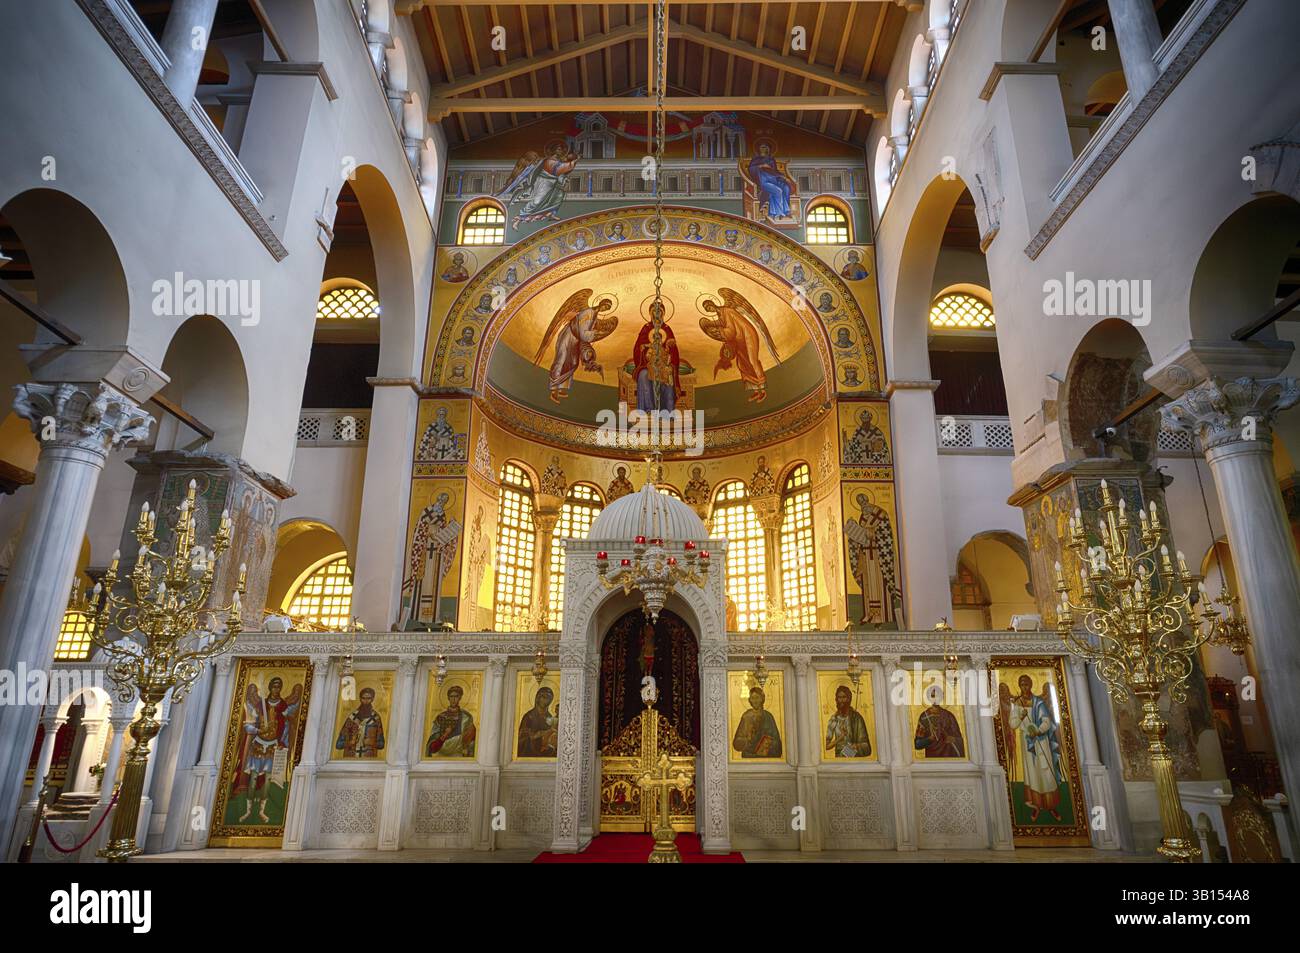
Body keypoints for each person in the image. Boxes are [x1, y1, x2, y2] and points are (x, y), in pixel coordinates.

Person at [234, 677, 303, 823]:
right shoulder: (261, 705)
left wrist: (282, 742)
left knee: (267, 780)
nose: (276, 689)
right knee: (252, 779)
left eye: (279, 687)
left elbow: (284, 727)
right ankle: (247, 811)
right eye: (274, 686)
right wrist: (258, 729)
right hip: (258, 745)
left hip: (272, 746)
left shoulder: (283, 706)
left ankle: (262, 811)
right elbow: (248, 725)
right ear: (270, 688)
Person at [534, 288, 619, 402]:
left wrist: (589, 346)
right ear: (601, 303)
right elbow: (583, 332)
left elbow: (584, 336)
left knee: (573, 362)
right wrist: (595, 334)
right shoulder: (588, 312)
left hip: (576, 340)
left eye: (608, 308)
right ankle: (554, 389)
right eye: (605, 305)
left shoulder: (594, 318)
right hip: (568, 335)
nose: (605, 308)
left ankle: (562, 388)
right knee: (561, 359)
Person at [1007, 675, 1064, 821]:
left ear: (1031, 685)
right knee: (1032, 773)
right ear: (1019, 686)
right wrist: (1020, 716)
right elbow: (1012, 724)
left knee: (1046, 772)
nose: (1024, 687)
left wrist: (1038, 731)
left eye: (1027, 684)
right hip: (1027, 744)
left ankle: (1051, 806)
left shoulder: (1039, 702)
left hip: (1041, 741)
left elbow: (1047, 721)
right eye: (1022, 684)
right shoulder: (1017, 703)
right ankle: (1036, 806)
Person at [631, 301, 683, 412]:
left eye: (659, 312)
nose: (657, 314)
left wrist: (669, 349)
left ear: (663, 314)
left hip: (663, 366)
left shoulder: (667, 329)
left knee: (668, 378)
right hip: (647, 365)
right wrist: (643, 350)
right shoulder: (646, 328)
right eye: (654, 312)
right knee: (643, 375)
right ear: (650, 314)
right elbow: (638, 349)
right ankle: (649, 409)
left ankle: (667, 411)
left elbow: (674, 354)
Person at [747, 141, 795, 219]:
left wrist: (784, 178)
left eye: (765, 147)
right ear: (758, 149)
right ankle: (780, 213)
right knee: (778, 191)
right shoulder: (756, 159)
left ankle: (779, 212)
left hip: (774, 179)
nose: (763, 149)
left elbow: (775, 171)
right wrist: (761, 166)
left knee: (785, 188)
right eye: (762, 147)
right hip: (763, 180)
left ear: (768, 149)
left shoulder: (771, 159)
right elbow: (751, 169)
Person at [335, 687, 385, 759]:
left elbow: (381, 744)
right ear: (360, 699)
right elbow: (339, 745)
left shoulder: (376, 719)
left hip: (369, 758)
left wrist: (372, 742)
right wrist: (350, 741)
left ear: (372, 699)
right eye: (363, 698)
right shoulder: (352, 718)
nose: (366, 701)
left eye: (368, 698)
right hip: (350, 756)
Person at [427, 685, 477, 757]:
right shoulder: (440, 717)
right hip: (440, 754)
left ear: (460, 698)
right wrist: (445, 735)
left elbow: (472, 741)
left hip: (459, 754)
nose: (453, 699)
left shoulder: (466, 717)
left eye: (456, 696)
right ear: (448, 698)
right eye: (451, 696)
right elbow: (432, 745)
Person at [733, 686, 782, 758]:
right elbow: (736, 743)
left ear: (762, 699)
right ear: (750, 700)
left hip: (766, 756)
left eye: (757, 698)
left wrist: (768, 744)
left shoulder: (768, 716)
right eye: (753, 698)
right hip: (749, 756)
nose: (755, 701)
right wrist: (747, 739)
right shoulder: (746, 717)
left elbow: (777, 742)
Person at [825, 685, 872, 758]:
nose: (841, 700)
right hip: (839, 759)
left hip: (854, 757)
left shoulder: (856, 718)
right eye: (839, 697)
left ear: (849, 699)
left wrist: (856, 746)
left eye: (844, 697)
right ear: (836, 699)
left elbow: (866, 747)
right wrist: (840, 737)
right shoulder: (834, 719)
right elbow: (826, 746)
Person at [914, 693, 965, 758]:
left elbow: (960, 740)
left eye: (938, 696)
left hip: (949, 755)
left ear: (941, 698)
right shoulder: (924, 717)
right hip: (932, 758)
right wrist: (929, 739)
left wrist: (953, 739)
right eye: (932, 696)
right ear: (928, 698)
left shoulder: (949, 716)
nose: (935, 698)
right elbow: (917, 744)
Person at [518, 686, 559, 757]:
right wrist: (539, 734)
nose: (546, 700)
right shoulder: (529, 716)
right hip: (530, 752)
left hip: (547, 752)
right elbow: (522, 738)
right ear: (537, 698)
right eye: (543, 697)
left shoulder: (550, 717)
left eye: (549, 698)